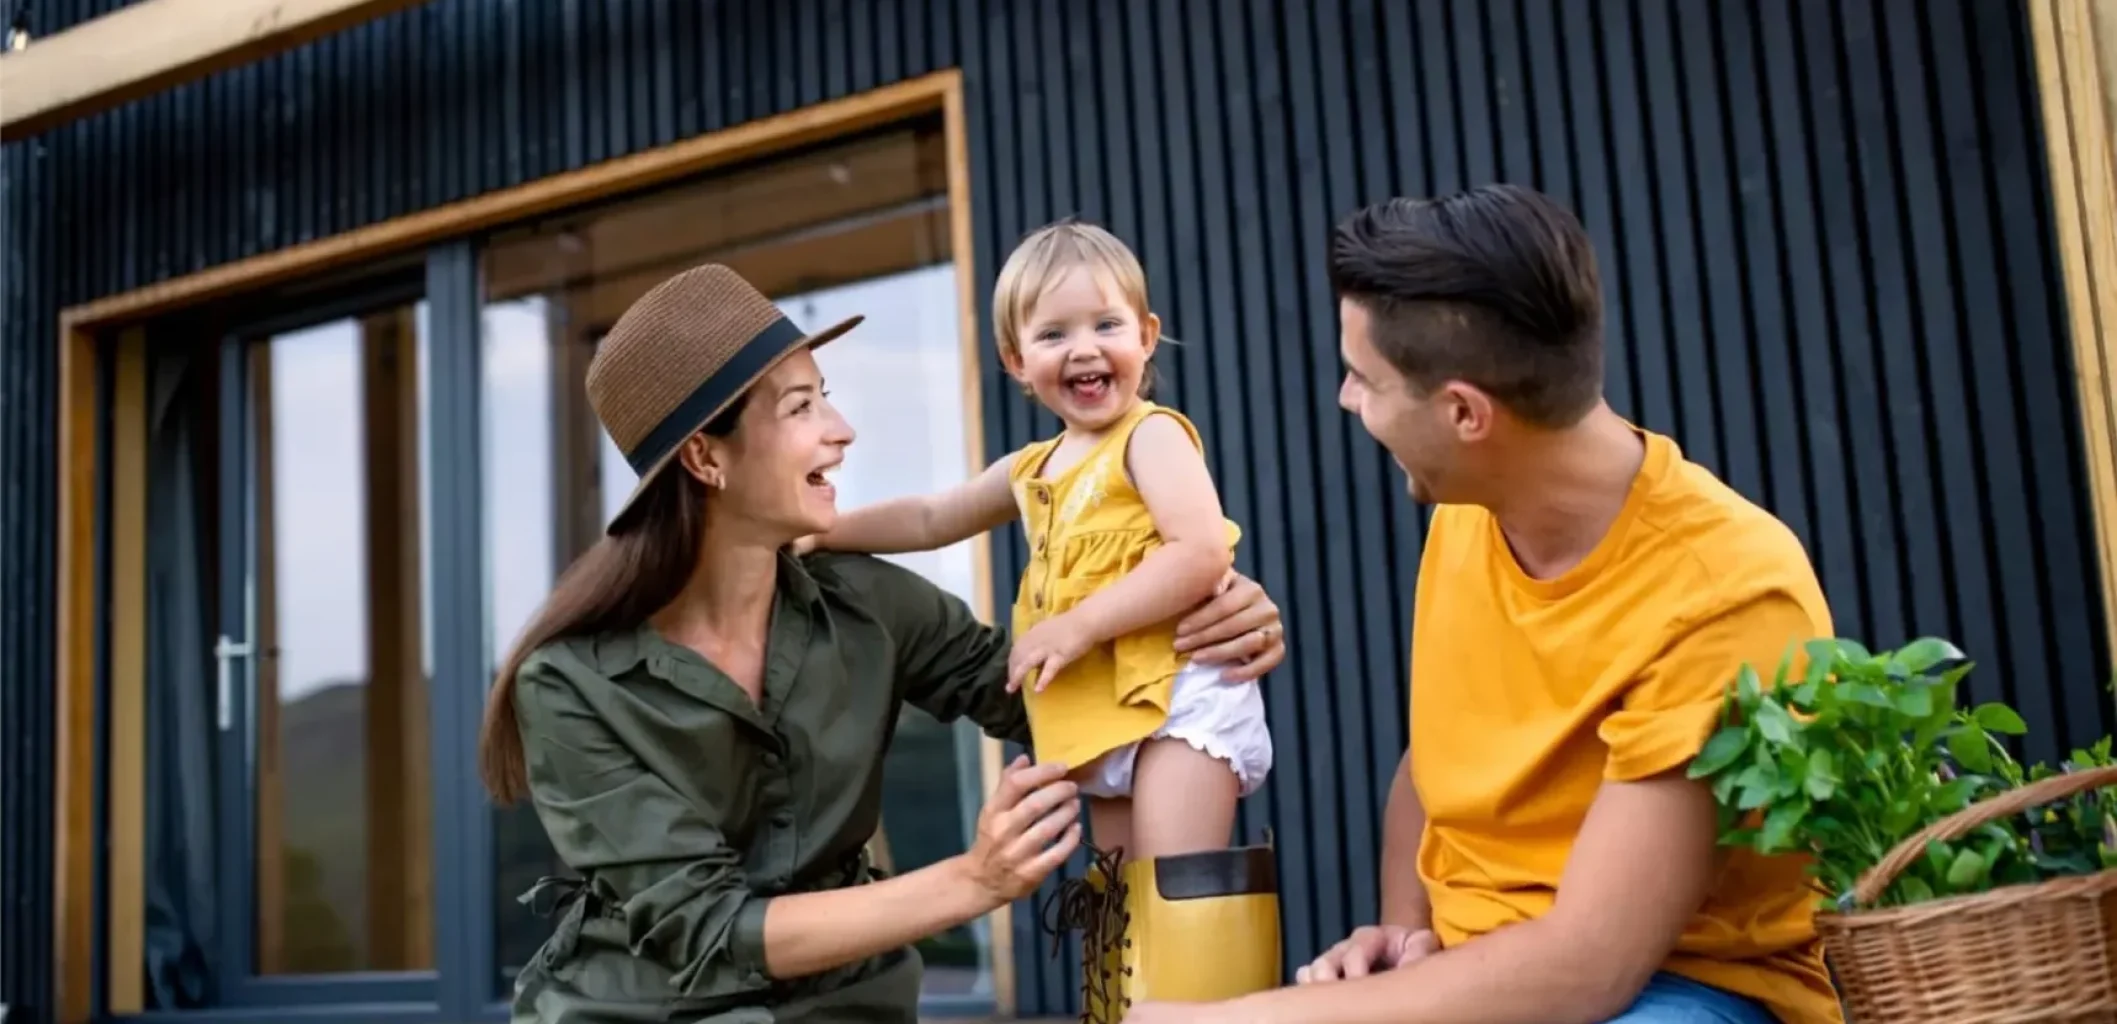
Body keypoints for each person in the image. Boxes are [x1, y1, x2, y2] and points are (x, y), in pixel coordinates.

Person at [473, 262, 1291, 1024]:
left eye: (824, 396)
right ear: (704, 457)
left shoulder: (868, 600)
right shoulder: (568, 684)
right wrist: (973, 881)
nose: (843, 429)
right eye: (800, 408)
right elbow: (707, 929)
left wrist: (1198, 626)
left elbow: (1041, 694)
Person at [1122, 185, 1843, 1024]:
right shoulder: (1467, 513)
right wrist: (1401, 935)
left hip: (1685, 991)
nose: (1346, 401)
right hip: (1494, 965)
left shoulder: (1724, 593)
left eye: (1363, 378)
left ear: (1465, 411)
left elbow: (1586, 969)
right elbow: (1434, 767)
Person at [802, 219, 1282, 1018]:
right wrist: (821, 532)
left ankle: (1212, 1015)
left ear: (1146, 336)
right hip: (1099, 716)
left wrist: (1077, 625)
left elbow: (1198, 552)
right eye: (1053, 333)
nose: (1084, 348)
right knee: (1115, 902)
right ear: (1017, 363)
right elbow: (930, 516)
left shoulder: (1150, 439)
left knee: (1176, 894)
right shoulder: (1032, 469)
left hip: (1179, 696)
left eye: (1106, 325)